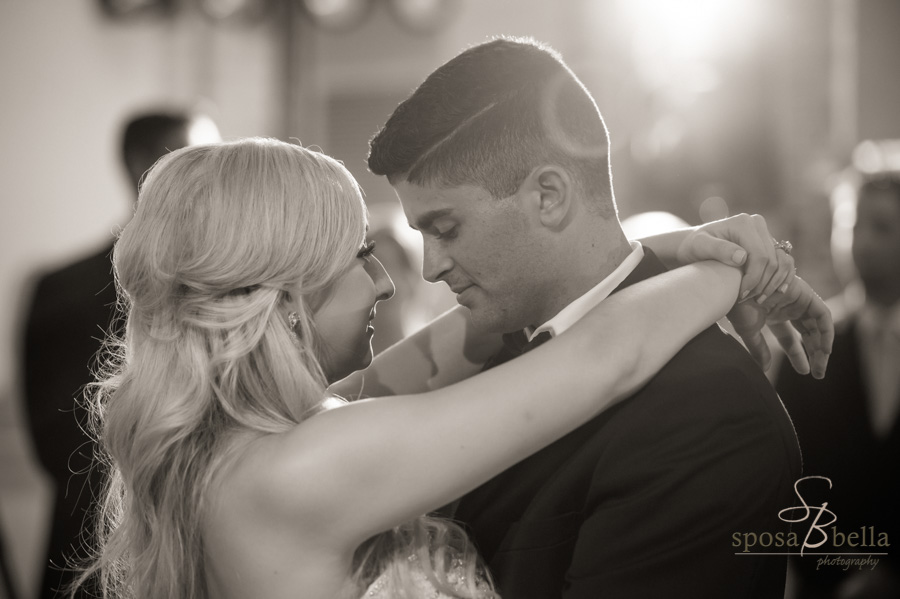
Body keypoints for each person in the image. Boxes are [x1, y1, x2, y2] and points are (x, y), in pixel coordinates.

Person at [73, 137, 827, 599]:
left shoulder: (241, 446)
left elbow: (447, 347)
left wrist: (664, 249)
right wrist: (742, 272)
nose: (388, 283)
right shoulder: (306, 466)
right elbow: (607, 359)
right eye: (359, 257)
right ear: (287, 296)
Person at [365, 36, 831, 598]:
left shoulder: (707, 413)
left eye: (445, 229)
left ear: (549, 196)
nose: (431, 268)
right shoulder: (492, 356)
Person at [21, 110, 219, 598]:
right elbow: (60, 443)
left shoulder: (227, 280)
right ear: (140, 165)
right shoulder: (64, 290)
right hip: (94, 543)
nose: (208, 176)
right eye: (189, 157)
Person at [776, 170, 900, 598]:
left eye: (882, 226)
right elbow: (790, 477)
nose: (862, 242)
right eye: (853, 225)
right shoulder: (806, 340)